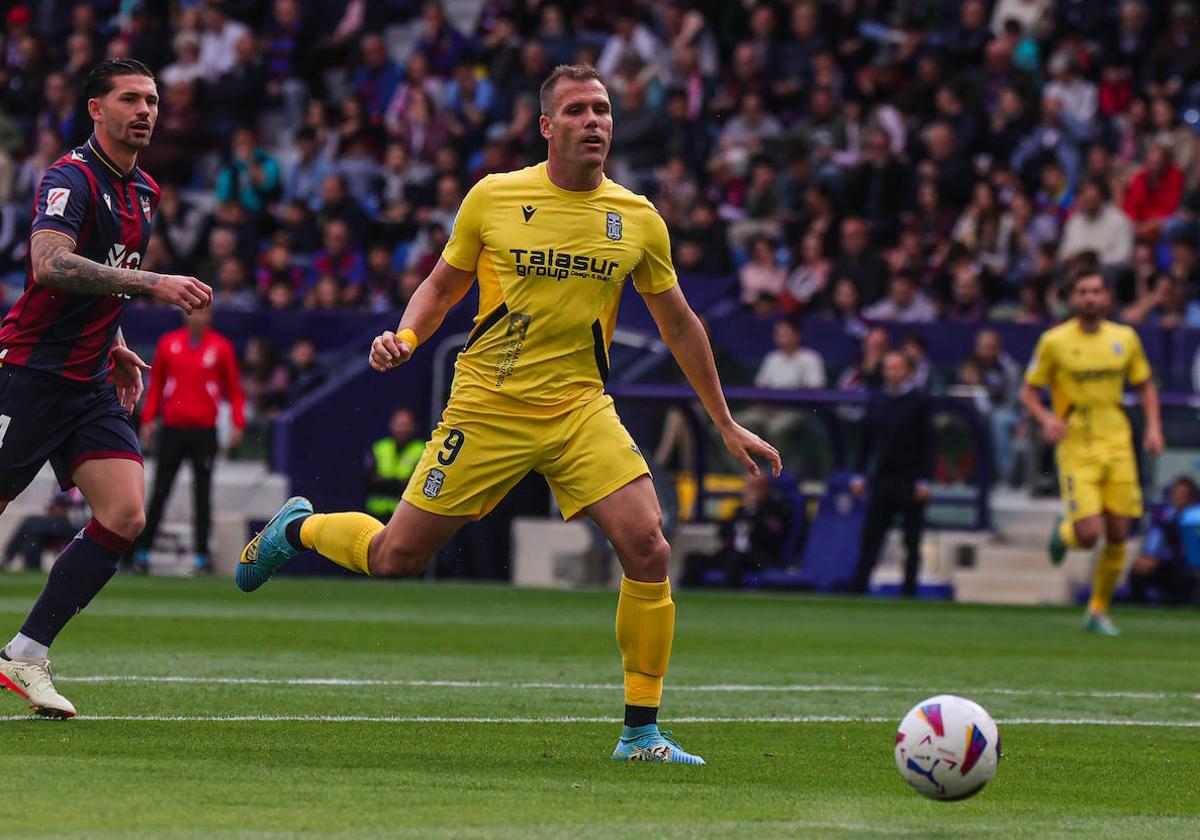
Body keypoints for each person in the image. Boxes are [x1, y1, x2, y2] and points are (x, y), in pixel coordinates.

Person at [235, 63, 780, 764]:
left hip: (580, 409)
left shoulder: (637, 218)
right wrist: (404, 337)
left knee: (648, 546)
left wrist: (724, 421)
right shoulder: (495, 197)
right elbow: (440, 286)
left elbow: (680, 323)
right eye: (579, 110)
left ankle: (641, 733)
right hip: (488, 406)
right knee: (397, 557)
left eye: (604, 110)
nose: (596, 122)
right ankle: (299, 527)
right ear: (547, 125)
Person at [0, 59, 212, 718]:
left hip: (89, 380)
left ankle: (25, 652)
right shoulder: (71, 177)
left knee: (125, 515)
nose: (146, 110)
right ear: (97, 108)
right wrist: (153, 285)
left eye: (152, 99)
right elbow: (50, 263)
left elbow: (107, 277)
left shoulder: (142, 191)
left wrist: (116, 340)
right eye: (130, 99)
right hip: (29, 375)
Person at [1019, 268, 1164, 636]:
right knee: (1088, 534)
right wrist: (1046, 419)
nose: (1090, 298)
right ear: (1073, 299)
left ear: (1107, 298)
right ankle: (1064, 532)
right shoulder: (1054, 341)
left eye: (1096, 291)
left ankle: (1097, 611)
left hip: (1116, 437)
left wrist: (1154, 429)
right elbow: (1028, 392)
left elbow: (1146, 387)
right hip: (1076, 440)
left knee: (1118, 531)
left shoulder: (1125, 338)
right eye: (1083, 291)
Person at [134, 307, 245, 575]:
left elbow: (234, 389)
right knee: (160, 491)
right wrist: (148, 418)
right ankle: (142, 552)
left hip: (204, 430)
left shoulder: (221, 347)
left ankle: (201, 557)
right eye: (193, 312)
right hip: (172, 428)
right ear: (185, 315)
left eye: (203, 313)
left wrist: (238, 422)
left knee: (202, 494)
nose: (197, 317)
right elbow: (157, 384)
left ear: (210, 317)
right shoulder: (168, 343)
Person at [850, 351, 934, 597]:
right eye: (888, 368)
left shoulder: (919, 401)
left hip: (910, 477)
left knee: (911, 538)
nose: (891, 373)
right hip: (883, 476)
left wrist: (924, 479)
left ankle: (909, 590)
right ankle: (858, 587)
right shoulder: (877, 400)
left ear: (907, 371)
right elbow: (865, 441)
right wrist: (859, 474)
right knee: (871, 535)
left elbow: (928, 443)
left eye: (896, 368)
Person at [1128, 476, 1200, 605]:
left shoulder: (1195, 516)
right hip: (1167, 564)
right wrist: (1149, 556)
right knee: (1139, 571)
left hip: (1192, 566)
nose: (1179, 498)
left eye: (1184, 495)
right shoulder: (1164, 516)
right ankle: (1142, 609)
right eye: (1176, 494)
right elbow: (1155, 539)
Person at [3, 489, 88, 573]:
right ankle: (32, 568)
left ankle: (7, 558)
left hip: (76, 524)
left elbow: (71, 507)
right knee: (34, 536)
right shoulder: (63, 483)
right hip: (60, 522)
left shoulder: (82, 486)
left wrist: (61, 509)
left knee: (30, 523)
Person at [364, 408, 426, 522]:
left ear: (414, 426)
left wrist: (384, 482)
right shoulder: (380, 448)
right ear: (391, 425)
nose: (402, 429)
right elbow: (368, 481)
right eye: (399, 424)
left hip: (405, 517)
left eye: (406, 424)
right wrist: (398, 483)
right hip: (376, 516)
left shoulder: (422, 450)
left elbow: (416, 486)